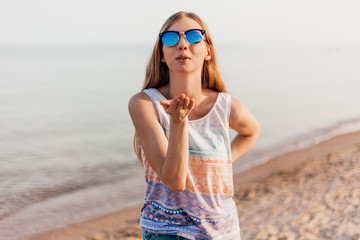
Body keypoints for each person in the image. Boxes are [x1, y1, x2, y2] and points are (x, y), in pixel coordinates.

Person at [128, 11, 261, 240]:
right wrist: (178, 122)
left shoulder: (226, 107)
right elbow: (175, 180)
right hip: (167, 232)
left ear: (207, 51)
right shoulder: (145, 104)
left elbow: (252, 132)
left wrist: (220, 161)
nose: (182, 44)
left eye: (193, 36)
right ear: (162, 54)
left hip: (223, 231)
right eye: (171, 38)